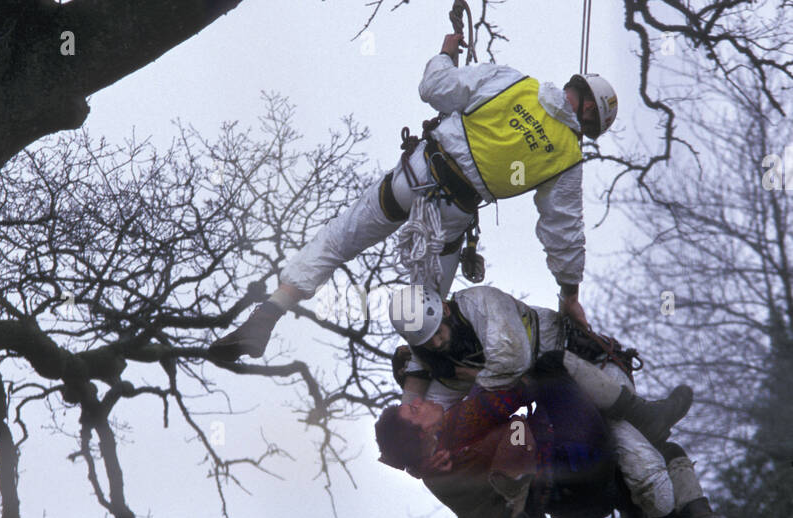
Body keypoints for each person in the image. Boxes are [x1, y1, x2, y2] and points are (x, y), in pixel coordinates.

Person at [209, 36, 618, 362]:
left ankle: (269, 313)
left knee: (338, 239)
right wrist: (569, 294)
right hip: (451, 213)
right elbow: (562, 231)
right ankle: (430, 378)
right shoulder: (567, 158)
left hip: (415, 177)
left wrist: (445, 54)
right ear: (590, 122)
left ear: (574, 86)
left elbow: (434, 88)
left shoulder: (512, 82)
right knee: (429, 312)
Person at [376, 284, 764, 518]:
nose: (440, 344)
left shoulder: (480, 308)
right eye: (428, 345)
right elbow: (449, 413)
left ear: (444, 309)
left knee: (646, 466)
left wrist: (568, 289)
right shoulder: (444, 394)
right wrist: (423, 457)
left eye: (439, 334)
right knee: (646, 467)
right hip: (562, 420)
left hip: (579, 400)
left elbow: (503, 374)